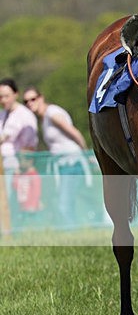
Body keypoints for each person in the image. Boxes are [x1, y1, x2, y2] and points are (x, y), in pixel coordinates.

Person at [22, 88, 87, 226]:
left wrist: (86, 153)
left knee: (64, 204)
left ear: (41, 98)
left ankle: (73, 237)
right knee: (68, 201)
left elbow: (74, 133)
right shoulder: (44, 118)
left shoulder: (52, 114)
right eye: (25, 101)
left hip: (72, 163)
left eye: (32, 99)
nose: (29, 103)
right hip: (63, 166)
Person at [0, 78, 38, 173]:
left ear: (15, 94)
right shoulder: (2, 114)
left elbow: (29, 146)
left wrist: (22, 168)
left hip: (16, 169)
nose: (3, 100)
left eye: (7, 96)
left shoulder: (25, 115)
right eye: (0, 97)